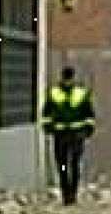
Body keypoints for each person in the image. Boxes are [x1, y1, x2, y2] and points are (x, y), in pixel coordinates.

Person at [41, 68, 96, 205]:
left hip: (67, 136)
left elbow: (47, 113)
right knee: (68, 165)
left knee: (67, 165)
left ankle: (70, 193)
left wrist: (49, 128)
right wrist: (88, 129)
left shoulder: (55, 93)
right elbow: (89, 113)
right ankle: (70, 193)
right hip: (72, 136)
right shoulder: (79, 92)